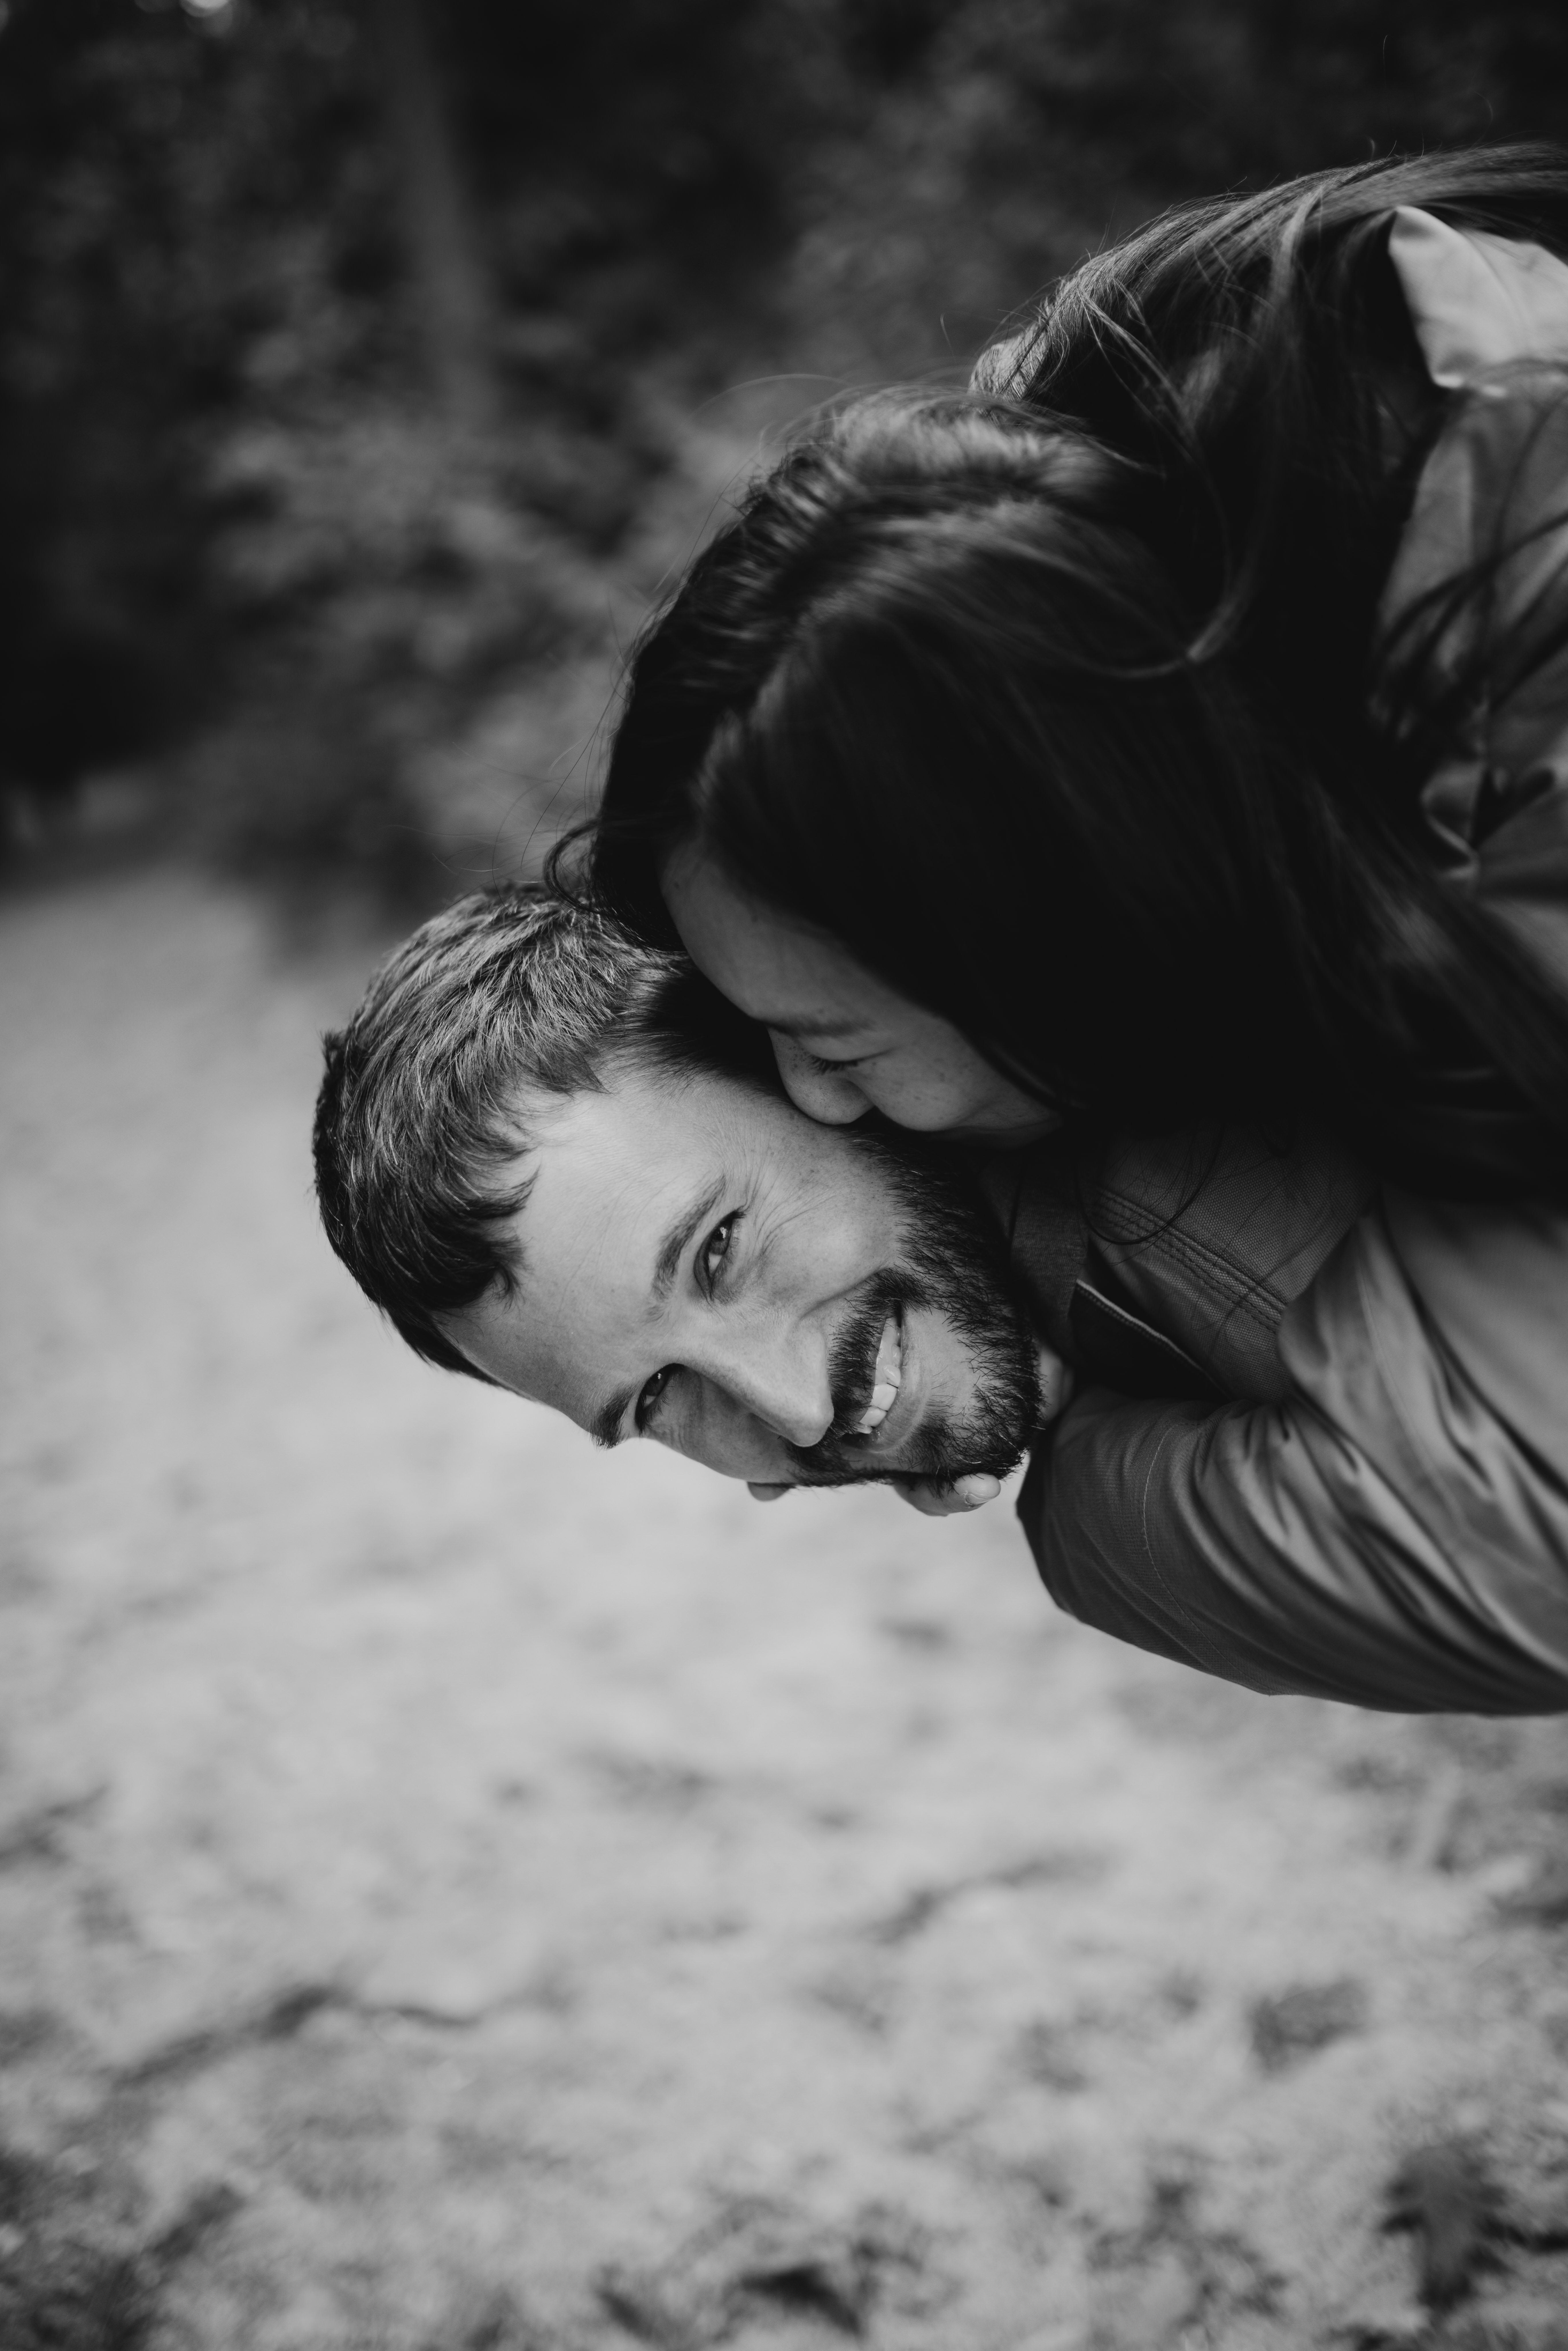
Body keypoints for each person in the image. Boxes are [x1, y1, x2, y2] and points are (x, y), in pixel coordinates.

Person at [313, 884, 1568, 1715]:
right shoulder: (1109, 1480)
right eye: (657, 1398)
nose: (798, 1412)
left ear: (794, 1065)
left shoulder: (1191, 1004)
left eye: (717, 1251)